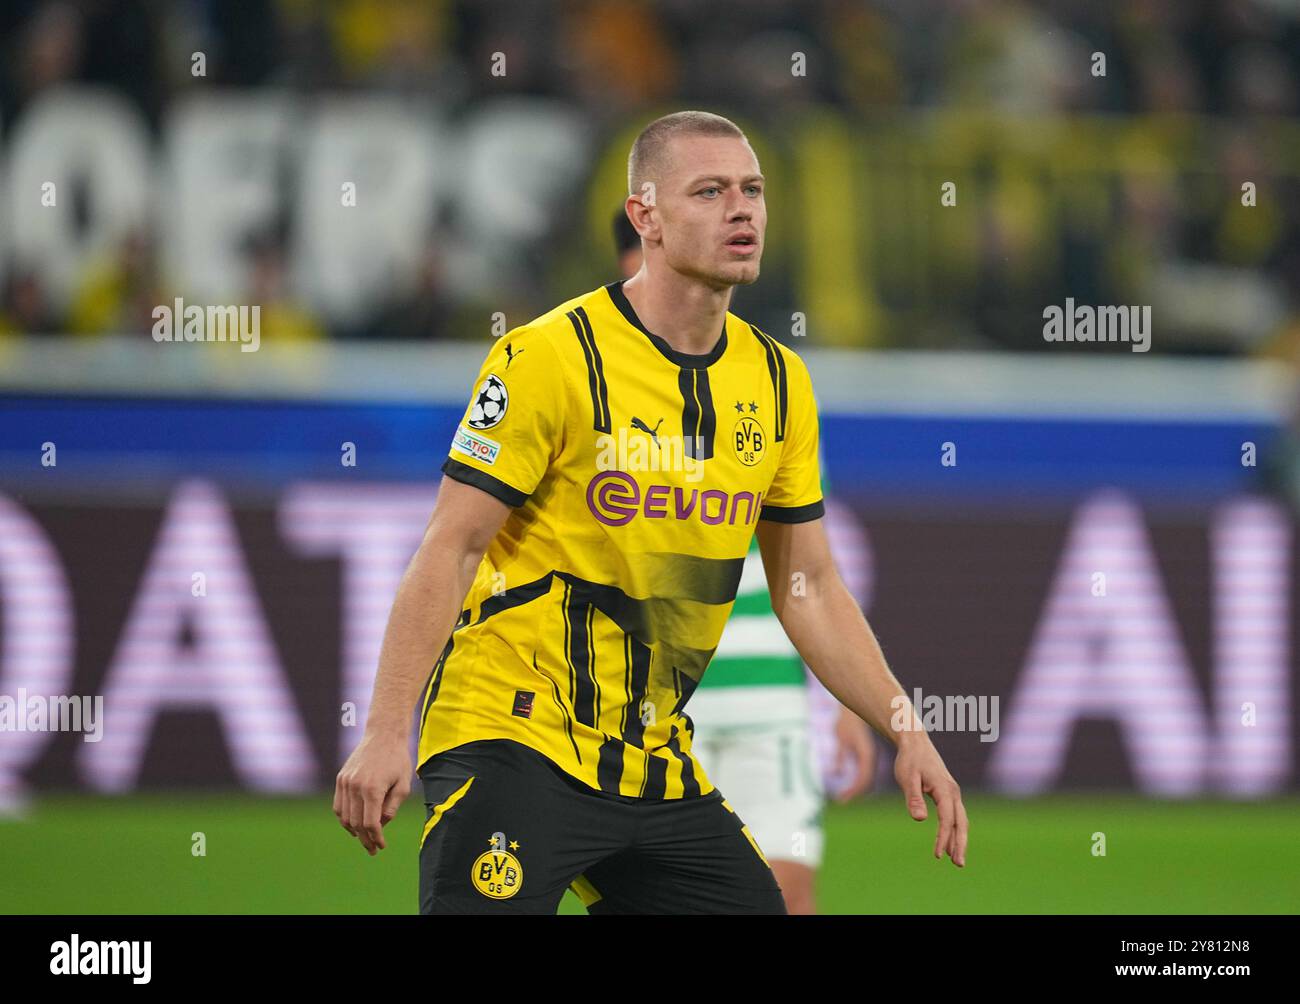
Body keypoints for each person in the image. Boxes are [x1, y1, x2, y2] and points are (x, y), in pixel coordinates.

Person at [334, 110, 968, 914]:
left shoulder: (778, 384)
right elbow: (451, 547)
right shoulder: (551, 356)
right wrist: (389, 727)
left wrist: (905, 727)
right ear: (647, 218)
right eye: (709, 191)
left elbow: (808, 586)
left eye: (752, 191)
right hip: (512, 737)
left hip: (651, 758)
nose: (741, 210)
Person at [613, 208, 878, 914]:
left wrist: (847, 701)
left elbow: (809, 569)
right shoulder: (602, 390)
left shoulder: (768, 384)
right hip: (660, 708)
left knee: (788, 903)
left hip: (770, 708)